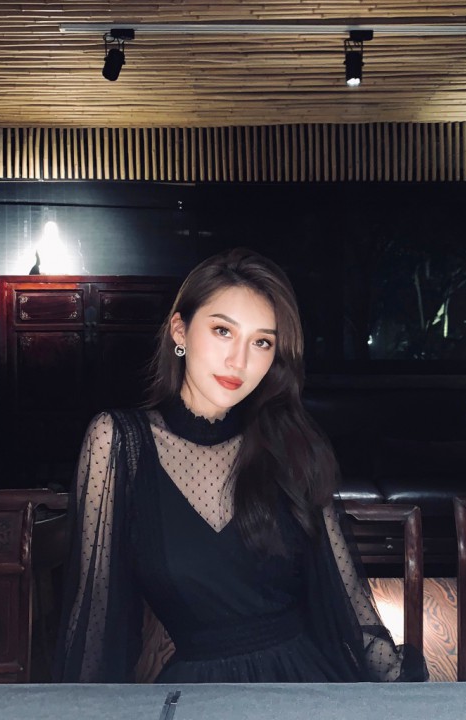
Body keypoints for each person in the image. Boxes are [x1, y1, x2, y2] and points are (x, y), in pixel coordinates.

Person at [53, 247, 427, 683]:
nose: (239, 361)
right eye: (222, 331)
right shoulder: (119, 442)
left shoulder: (291, 444)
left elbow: (349, 607)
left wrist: (406, 694)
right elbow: (95, 622)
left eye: (261, 342)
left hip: (307, 686)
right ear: (179, 330)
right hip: (199, 694)